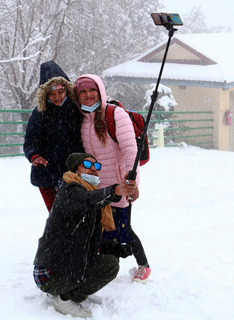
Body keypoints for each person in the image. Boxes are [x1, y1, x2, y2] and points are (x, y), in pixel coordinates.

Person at [33, 153, 136, 318]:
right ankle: (66, 298)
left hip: (60, 264)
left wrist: (117, 248)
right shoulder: (70, 191)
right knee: (109, 266)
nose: (94, 169)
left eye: (97, 166)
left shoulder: (84, 193)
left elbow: (89, 237)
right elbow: (88, 199)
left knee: (110, 259)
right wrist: (115, 191)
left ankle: (65, 288)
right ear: (76, 170)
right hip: (49, 273)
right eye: (87, 164)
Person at [74, 74, 152, 284]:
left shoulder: (115, 114)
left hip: (119, 184)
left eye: (92, 90)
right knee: (101, 227)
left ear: (100, 91)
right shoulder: (81, 119)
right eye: (83, 91)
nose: (88, 95)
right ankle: (105, 266)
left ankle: (143, 265)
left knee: (123, 229)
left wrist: (132, 182)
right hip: (97, 187)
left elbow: (130, 150)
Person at [24, 61, 84, 212]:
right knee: (56, 216)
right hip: (47, 174)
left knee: (77, 214)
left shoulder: (76, 110)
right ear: (45, 94)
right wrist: (34, 156)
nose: (57, 97)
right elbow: (30, 141)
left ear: (67, 89)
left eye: (60, 91)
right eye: (51, 93)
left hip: (74, 173)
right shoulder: (39, 114)